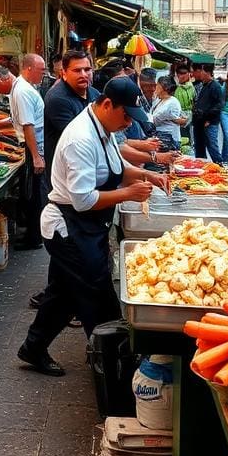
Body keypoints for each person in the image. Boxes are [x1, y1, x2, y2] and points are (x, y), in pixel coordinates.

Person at [18, 78, 167, 376]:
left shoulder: (104, 128)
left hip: (87, 227)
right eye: (126, 116)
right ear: (107, 104)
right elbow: (83, 199)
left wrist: (148, 176)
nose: (128, 124)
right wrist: (129, 193)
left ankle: (33, 348)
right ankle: (115, 361)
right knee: (97, 292)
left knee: (64, 294)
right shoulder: (81, 138)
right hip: (69, 228)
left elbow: (117, 167)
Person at [1, 56, 47, 251]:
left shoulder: (23, 89)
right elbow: (27, 125)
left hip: (35, 146)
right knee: (33, 194)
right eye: (41, 70)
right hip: (34, 146)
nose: (44, 74)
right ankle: (34, 236)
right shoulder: (23, 90)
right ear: (28, 68)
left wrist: (36, 156)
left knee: (35, 193)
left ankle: (35, 236)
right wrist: (36, 156)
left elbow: (27, 124)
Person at [43, 50, 99, 184]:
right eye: (77, 70)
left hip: (89, 166)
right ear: (64, 73)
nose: (84, 75)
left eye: (87, 69)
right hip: (67, 171)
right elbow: (80, 139)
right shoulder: (57, 99)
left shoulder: (94, 93)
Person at [192, 64, 223, 162]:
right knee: (199, 146)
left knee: (212, 146)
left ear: (207, 72)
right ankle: (201, 165)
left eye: (201, 71)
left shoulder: (215, 86)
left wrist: (209, 118)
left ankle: (219, 165)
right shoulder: (204, 85)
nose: (200, 74)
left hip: (208, 122)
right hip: (199, 121)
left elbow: (219, 105)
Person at [150, 75, 186, 150]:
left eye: (157, 85)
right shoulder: (159, 100)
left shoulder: (172, 103)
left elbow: (156, 120)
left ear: (164, 88)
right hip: (160, 137)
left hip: (169, 140)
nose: (155, 88)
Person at [174, 64, 195, 149]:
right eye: (180, 73)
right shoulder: (175, 88)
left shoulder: (193, 88)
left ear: (188, 74)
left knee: (188, 140)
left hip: (190, 118)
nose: (181, 76)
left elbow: (195, 103)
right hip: (178, 118)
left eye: (184, 73)